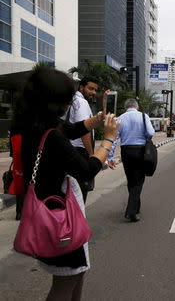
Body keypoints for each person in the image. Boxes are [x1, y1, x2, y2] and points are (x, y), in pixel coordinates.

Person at [12, 68, 119, 301]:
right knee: (67, 280)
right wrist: (109, 138)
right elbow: (88, 168)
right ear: (54, 102)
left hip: (50, 212)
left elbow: (73, 129)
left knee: (76, 272)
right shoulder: (52, 138)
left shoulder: (35, 125)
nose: (72, 102)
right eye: (68, 98)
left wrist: (99, 118)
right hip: (60, 219)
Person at [108, 99, 155, 222]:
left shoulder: (120, 118)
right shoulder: (144, 116)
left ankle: (135, 207)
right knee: (138, 181)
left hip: (126, 151)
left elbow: (113, 139)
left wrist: (110, 157)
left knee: (131, 179)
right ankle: (131, 211)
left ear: (125, 108)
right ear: (137, 107)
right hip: (140, 151)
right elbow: (150, 133)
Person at [65, 76, 100, 203]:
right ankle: (77, 221)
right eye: (90, 89)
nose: (93, 93)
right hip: (78, 151)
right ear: (81, 87)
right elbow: (84, 130)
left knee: (70, 193)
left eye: (95, 90)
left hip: (68, 149)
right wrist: (91, 155)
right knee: (79, 193)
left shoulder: (72, 100)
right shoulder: (81, 102)